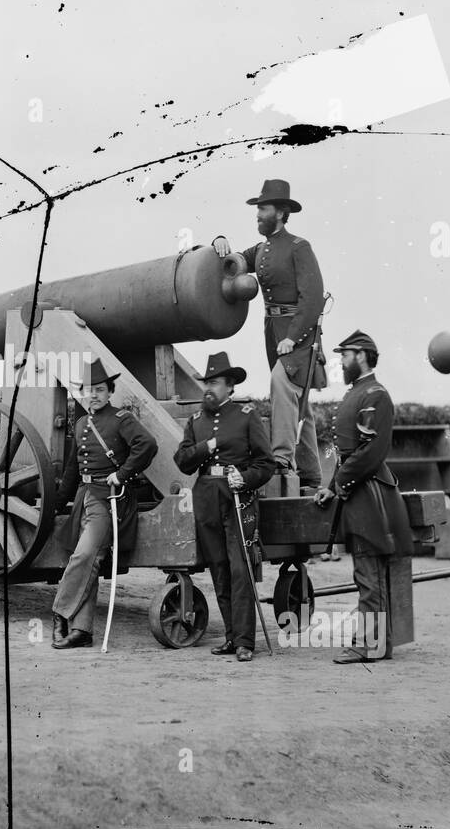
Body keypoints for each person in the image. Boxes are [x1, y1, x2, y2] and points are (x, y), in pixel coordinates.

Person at [212, 179, 326, 490]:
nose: (257, 214)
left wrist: (293, 336)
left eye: (263, 209)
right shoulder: (262, 249)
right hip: (272, 333)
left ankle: (282, 461)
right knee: (297, 399)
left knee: (281, 384)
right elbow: (234, 262)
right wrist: (219, 242)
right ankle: (312, 475)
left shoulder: (299, 247)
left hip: (298, 334)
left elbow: (313, 299)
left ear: (281, 212)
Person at [312, 330, 414, 663]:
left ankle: (367, 645)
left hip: (371, 497)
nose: (341, 361)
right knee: (366, 573)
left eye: (346, 355)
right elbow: (346, 454)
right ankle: (378, 643)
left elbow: (371, 451)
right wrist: (331, 485)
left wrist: (340, 481)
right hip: (358, 493)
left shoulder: (375, 394)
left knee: (368, 574)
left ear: (362, 356)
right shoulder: (359, 393)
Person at [174, 352, 277, 662]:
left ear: (230, 386)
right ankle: (232, 637)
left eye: (215, 383)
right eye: (207, 382)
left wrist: (244, 478)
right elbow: (182, 461)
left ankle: (246, 641)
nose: (209, 388)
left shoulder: (247, 415)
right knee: (218, 567)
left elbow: (266, 464)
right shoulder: (195, 421)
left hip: (238, 500)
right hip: (206, 497)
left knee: (239, 567)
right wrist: (207, 447)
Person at [50, 359, 158, 650]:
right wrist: (58, 504)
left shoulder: (121, 418)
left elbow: (147, 445)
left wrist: (122, 474)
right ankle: (82, 631)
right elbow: (73, 468)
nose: (93, 395)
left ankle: (60, 612)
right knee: (89, 560)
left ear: (110, 392)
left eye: (99, 390)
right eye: (88, 390)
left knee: (85, 556)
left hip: (109, 499)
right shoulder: (83, 422)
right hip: (85, 499)